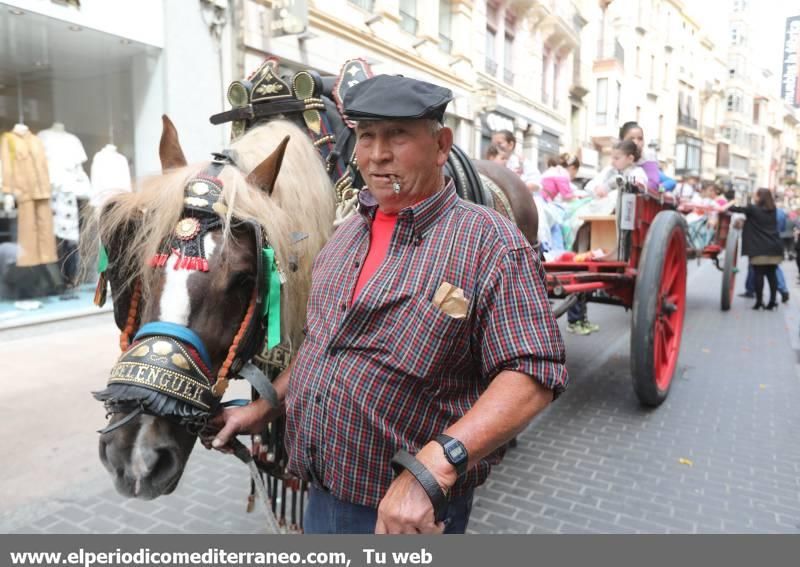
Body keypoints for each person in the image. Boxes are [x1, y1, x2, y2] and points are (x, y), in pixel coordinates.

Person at [207, 75, 568, 534]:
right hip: (323, 493)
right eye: (366, 136)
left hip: (406, 515)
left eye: (397, 135)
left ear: (441, 146)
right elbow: (322, 349)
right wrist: (265, 407)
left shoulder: (490, 243)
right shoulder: (342, 239)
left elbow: (533, 375)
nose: (377, 154)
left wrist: (434, 468)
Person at [725, 188, 784, 310]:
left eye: (755, 195)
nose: (754, 197)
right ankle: (772, 301)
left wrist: (733, 201)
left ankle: (759, 301)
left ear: (759, 197)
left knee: (759, 275)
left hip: (759, 248)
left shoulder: (752, 209)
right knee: (772, 275)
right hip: (774, 246)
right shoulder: (773, 210)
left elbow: (731, 208)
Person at [619, 121, 675, 191]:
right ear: (621, 141)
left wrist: (661, 189)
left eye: (640, 139)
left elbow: (653, 186)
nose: (636, 142)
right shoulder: (617, 159)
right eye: (631, 139)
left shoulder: (648, 158)